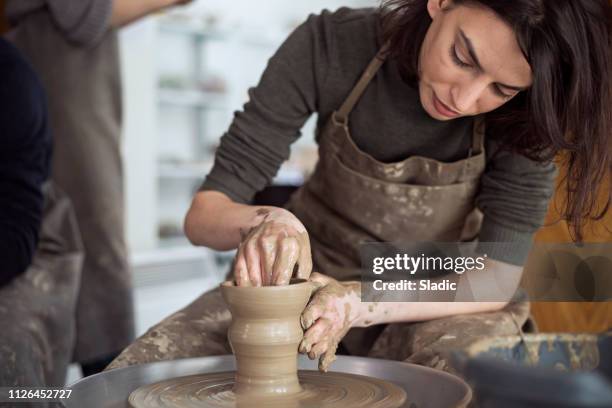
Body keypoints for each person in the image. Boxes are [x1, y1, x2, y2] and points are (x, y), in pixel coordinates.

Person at [109, 0, 611, 373]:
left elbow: (496, 276)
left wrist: (363, 301)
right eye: (463, 57)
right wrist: (265, 219)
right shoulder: (331, 45)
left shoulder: (527, 118)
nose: (466, 97)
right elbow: (204, 215)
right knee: (146, 372)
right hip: (305, 281)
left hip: (438, 291)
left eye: (501, 88)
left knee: (472, 380)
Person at [4, 0, 193, 377]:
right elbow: (82, 16)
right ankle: (98, 386)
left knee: (82, 233)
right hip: (57, 59)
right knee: (91, 232)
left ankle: (80, 382)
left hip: (61, 59)